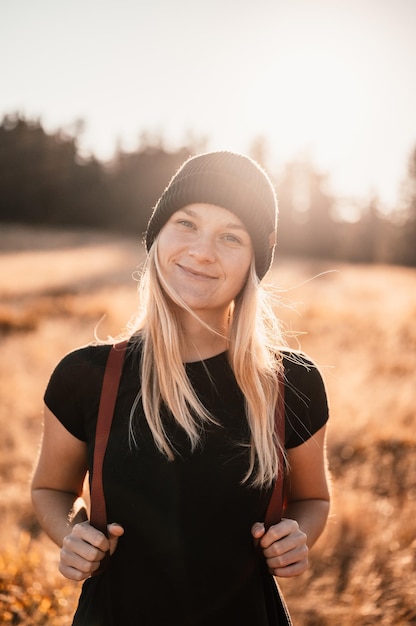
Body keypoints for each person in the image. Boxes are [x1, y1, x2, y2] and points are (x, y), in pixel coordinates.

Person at [31, 150, 330, 626]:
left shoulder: (291, 383)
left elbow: (314, 499)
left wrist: (298, 535)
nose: (202, 251)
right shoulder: (85, 375)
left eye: (231, 236)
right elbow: (51, 488)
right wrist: (71, 534)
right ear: (157, 235)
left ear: (256, 258)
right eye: (186, 224)